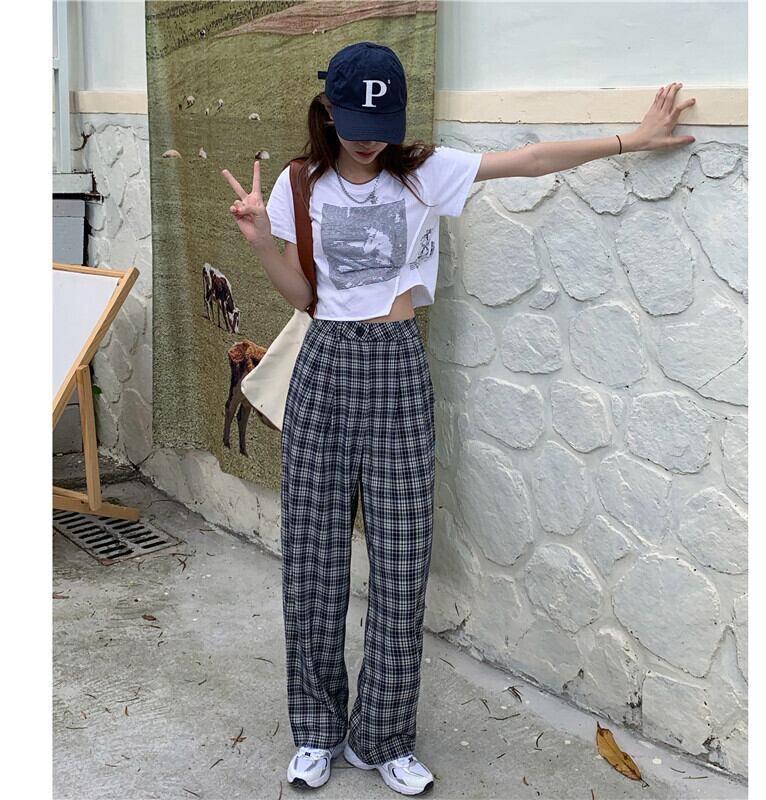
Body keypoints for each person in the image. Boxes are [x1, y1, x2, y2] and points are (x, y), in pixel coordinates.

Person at [222, 41, 696, 796]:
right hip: (324, 367)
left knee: (402, 562)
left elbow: (530, 160)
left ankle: (384, 737)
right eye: (356, 125)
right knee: (313, 560)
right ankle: (315, 730)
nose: (369, 140)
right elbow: (304, 297)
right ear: (329, 111)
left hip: (397, 366)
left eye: (381, 125)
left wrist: (630, 140)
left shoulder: (422, 173)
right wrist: (259, 241)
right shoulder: (298, 182)